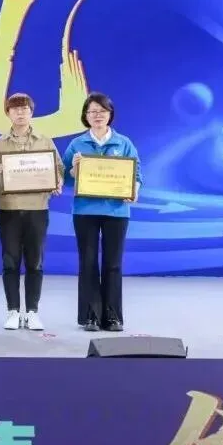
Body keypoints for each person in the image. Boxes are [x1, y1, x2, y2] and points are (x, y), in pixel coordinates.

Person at [61, 92, 142, 332]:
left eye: (102, 111)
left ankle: (112, 316)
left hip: (116, 212)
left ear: (110, 114)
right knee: (88, 263)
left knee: (113, 264)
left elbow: (137, 174)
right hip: (85, 211)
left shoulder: (124, 143)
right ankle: (91, 316)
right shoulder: (77, 144)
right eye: (93, 111)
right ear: (85, 116)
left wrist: (134, 191)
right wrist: (74, 170)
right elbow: (64, 177)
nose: (98, 116)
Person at [0, 93, 63, 331]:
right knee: (10, 262)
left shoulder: (45, 141)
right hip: (8, 210)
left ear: (31, 112)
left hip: (37, 209)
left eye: (25, 109)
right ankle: (12, 311)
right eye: (15, 109)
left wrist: (57, 182)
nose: (20, 113)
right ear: (8, 113)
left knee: (35, 263)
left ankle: (32, 312)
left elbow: (58, 170)